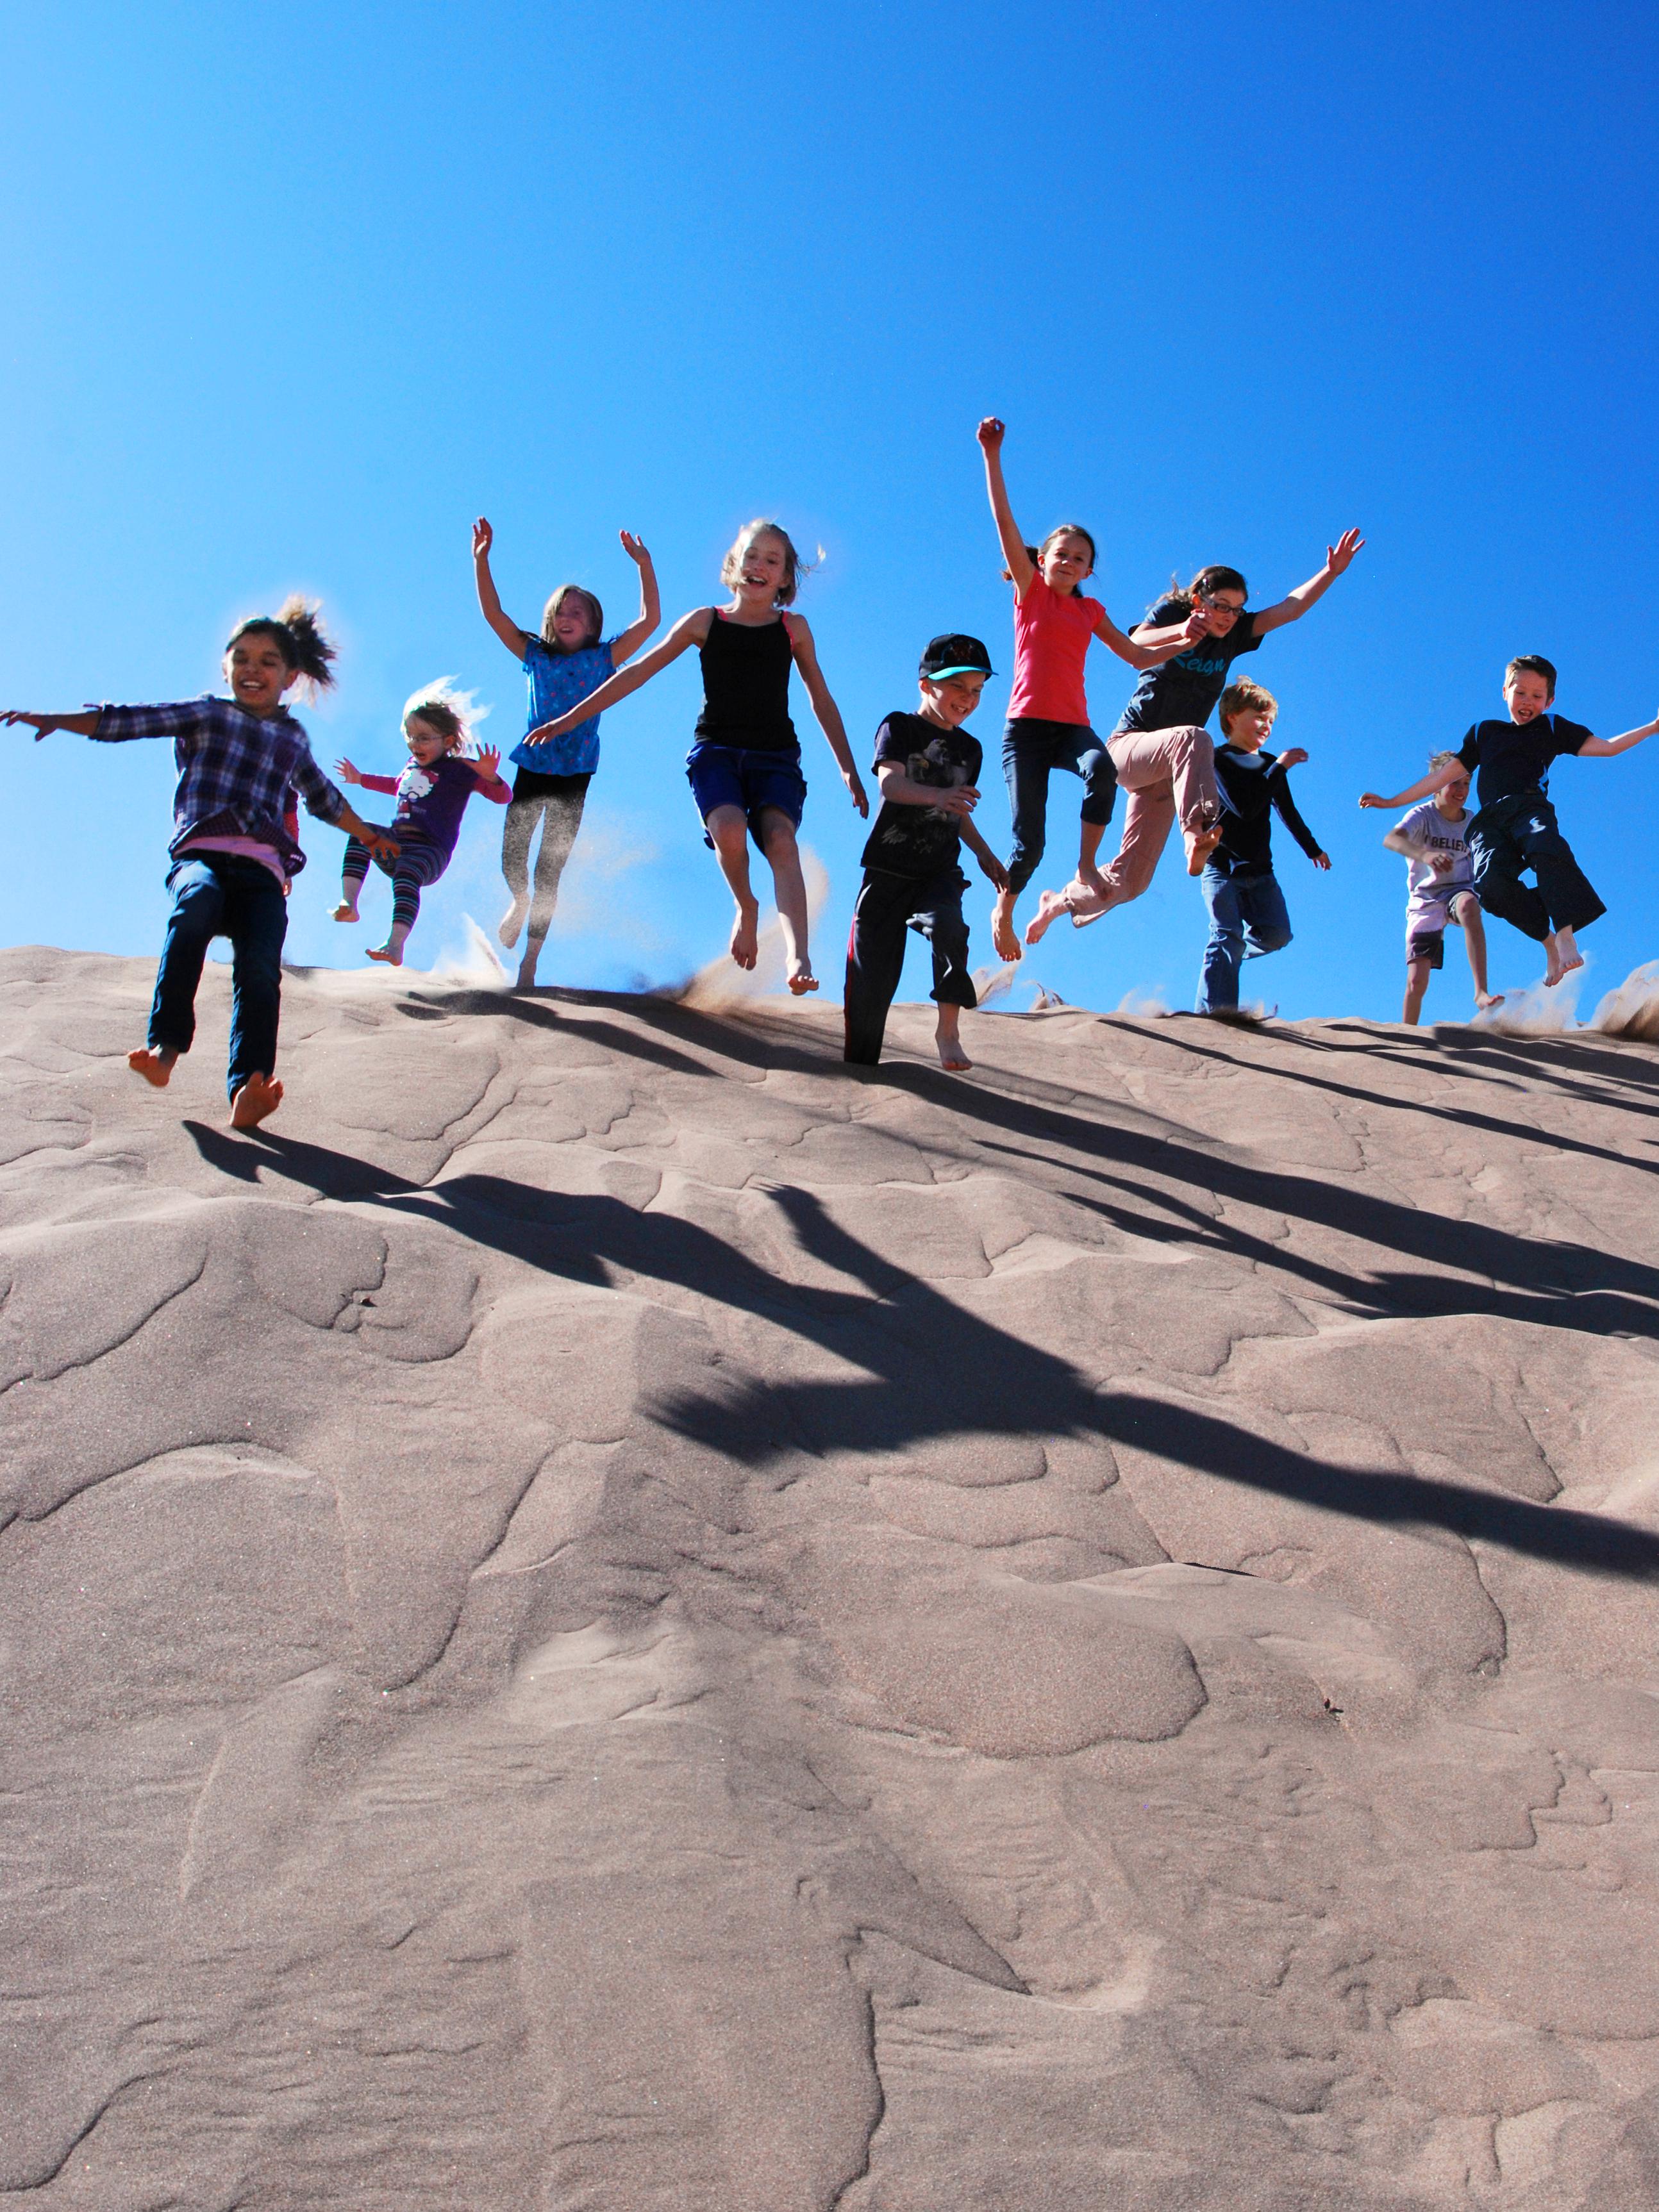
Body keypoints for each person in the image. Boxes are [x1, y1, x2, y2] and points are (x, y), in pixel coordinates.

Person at [1, 599, 396, 1128]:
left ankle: (249, 1087)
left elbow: (324, 799)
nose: (253, 669)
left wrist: (369, 836)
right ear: (226, 668)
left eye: (268, 661)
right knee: (194, 910)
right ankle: (164, 1052)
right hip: (203, 857)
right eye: (242, 658)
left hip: (262, 873)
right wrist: (58, 720)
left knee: (259, 968)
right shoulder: (207, 713)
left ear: (290, 677)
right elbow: (131, 721)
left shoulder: (292, 738)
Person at [522, 518, 867, 993]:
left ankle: (798, 956)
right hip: (716, 752)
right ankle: (746, 905)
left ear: (787, 578)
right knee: (728, 830)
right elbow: (637, 671)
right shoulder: (705, 621)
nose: (759, 566)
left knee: (780, 840)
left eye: (772, 560)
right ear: (733, 564)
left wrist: (847, 767)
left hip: (775, 756)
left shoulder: (794, 629)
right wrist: (569, 719)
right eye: (750, 556)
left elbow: (821, 699)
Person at [1024, 527, 1365, 945]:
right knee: (1196, 738)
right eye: (1220, 605)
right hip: (1130, 748)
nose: (1227, 616)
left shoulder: (1234, 636)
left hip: (1172, 775)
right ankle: (1196, 836)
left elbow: (1289, 609)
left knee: (1130, 882)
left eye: (1236, 610)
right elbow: (1137, 641)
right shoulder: (1173, 613)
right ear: (1200, 598)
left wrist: (1330, 573)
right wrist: (1184, 630)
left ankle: (1056, 903)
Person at [974, 418, 1202, 961]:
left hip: (1072, 727)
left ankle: (1084, 864)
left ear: (1088, 570)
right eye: (1062, 553)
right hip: (1026, 729)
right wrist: (992, 454)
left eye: (1080, 558)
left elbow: (1137, 656)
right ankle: (1004, 907)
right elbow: (1004, 519)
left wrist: (1183, 642)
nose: (1070, 561)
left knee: (1102, 769)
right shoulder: (1030, 592)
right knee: (1028, 843)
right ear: (1042, 559)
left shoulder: (1089, 610)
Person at [1360, 655, 1659, 985]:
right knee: (1491, 889)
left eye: (1537, 696)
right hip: (1489, 823)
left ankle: (1565, 932)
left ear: (1550, 700)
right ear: (1505, 691)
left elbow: (1608, 748)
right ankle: (1548, 942)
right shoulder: (1484, 732)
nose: (1527, 702)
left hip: (1529, 807)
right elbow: (1441, 778)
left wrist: (1653, 727)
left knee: (1545, 847)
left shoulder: (1552, 727)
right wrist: (1392, 801)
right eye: (1520, 693)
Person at [472, 517, 660, 989]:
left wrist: (645, 566)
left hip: (575, 773)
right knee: (513, 854)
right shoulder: (535, 655)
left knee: (549, 869)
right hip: (533, 765)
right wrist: (481, 560)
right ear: (549, 621)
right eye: (561, 610)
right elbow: (495, 616)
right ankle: (518, 899)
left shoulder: (602, 659)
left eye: (578, 611)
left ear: (594, 623)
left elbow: (650, 622)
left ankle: (531, 961)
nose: (568, 616)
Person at [844, 634, 1009, 1072]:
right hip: (887, 867)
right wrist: (938, 797)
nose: (968, 699)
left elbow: (958, 810)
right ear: (926, 684)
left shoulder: (971, 749)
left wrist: (984, 853)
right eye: (957, 687)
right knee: (869, 983)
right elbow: (890, 785)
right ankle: (860, 1072)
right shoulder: (898, 726)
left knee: (950, 928)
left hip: (938, 868)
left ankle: (948, 1030)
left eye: (977, 690)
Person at [332, 683, 510, 966]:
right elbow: (396, 785)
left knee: (407, 872)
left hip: (430, 851)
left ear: (449, 741)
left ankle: (395, 945)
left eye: (425, 738)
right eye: (411, 737)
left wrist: (490, 777)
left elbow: (503, 797)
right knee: (360, 833)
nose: (416, 745)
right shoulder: (411, 765)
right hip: (398, 842)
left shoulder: (459, 769)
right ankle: (350, 905)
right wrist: (360, 778)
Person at [1195, 680, 1330, 1015]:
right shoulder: (1217, 759)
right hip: (1222, 866)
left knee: (1277, 935)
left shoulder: (1269, 764)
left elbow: (1287, 811)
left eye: (1271, 721)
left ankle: (1229, 955)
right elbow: (1244, 806)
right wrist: (1280, 767)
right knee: (1226, 934)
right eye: (1259, 717)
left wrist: (1312, 848)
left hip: (1260, 871)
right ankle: (1214, 1015)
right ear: (1233, 717)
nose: (1267, 726)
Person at [1375, 753, 1502, 1024]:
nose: (1462, 791)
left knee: (1469, 905)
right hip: (1424, 901)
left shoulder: (1472, 821)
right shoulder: (1422, 815)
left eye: (1467, 784)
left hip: (1458, 891)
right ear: (1436, 786)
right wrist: (1425, 855)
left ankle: (1481, 992)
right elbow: (1392, 839)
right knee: (1416, 982)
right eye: (1455, 783)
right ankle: (1406, 1036)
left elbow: (1492, 851)